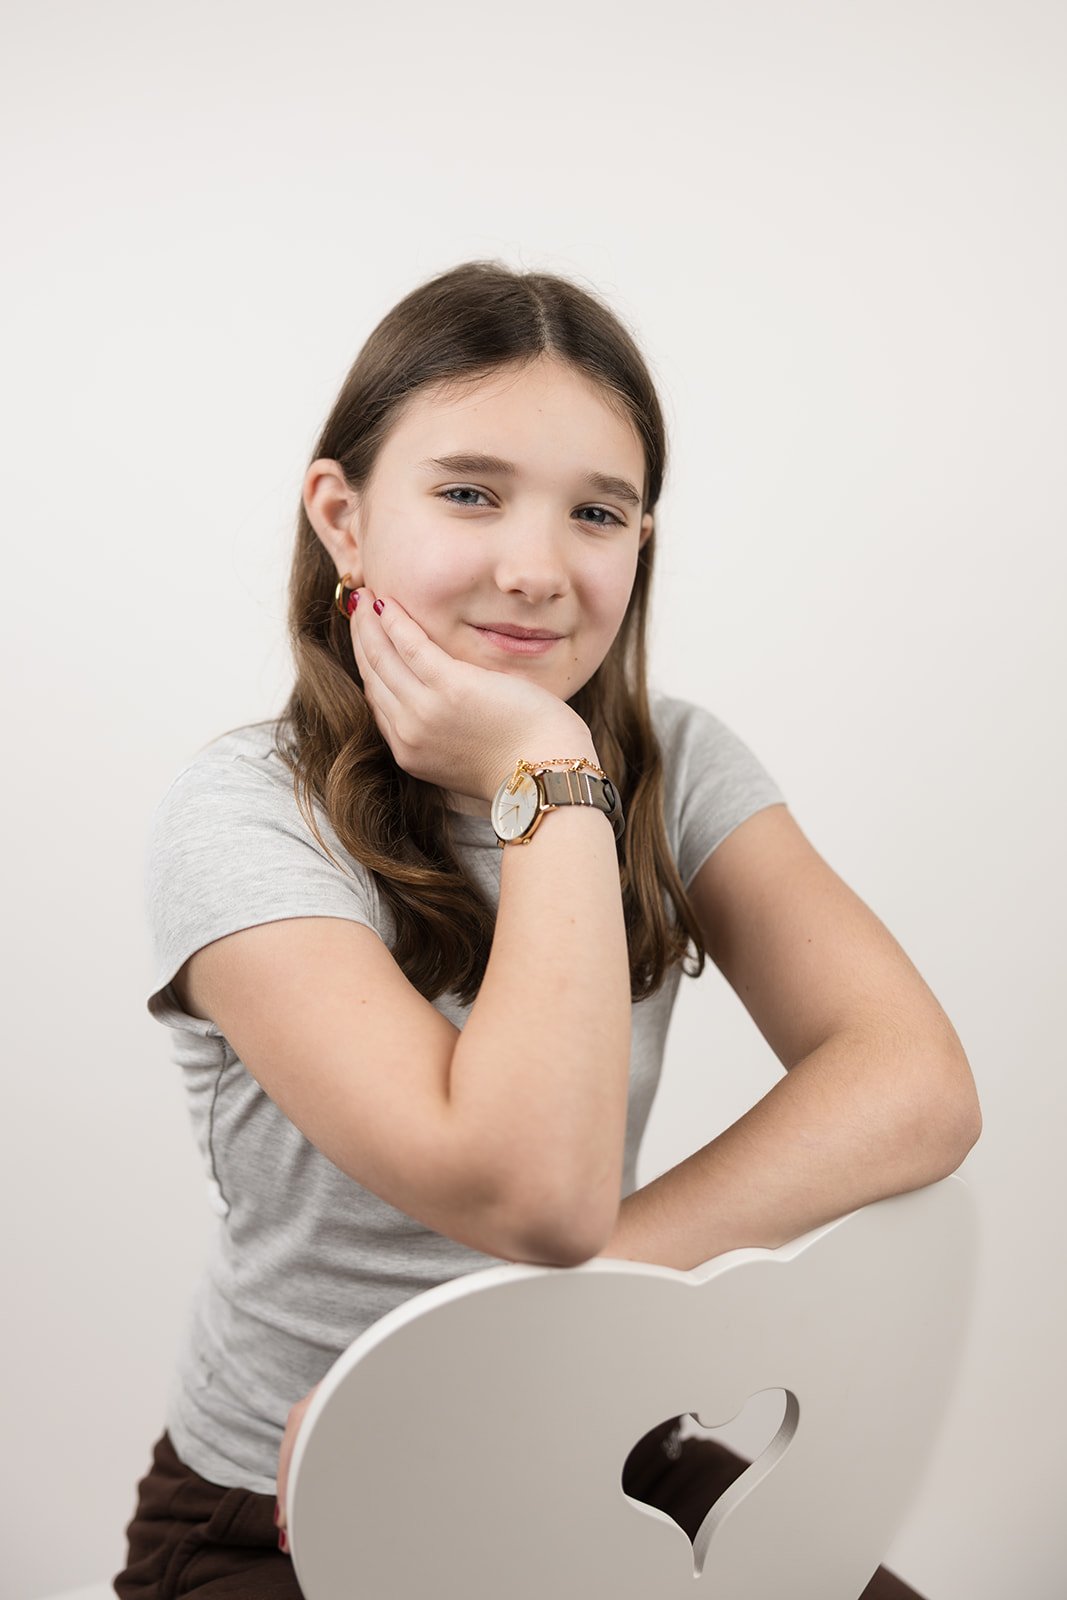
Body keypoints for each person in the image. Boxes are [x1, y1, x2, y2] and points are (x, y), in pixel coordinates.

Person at [115, 260, 981, 1599]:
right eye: (469, 492)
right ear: (342, 518)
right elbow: (536, 1193)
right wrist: (550, 779)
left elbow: (916, 1085)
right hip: (280, 1514)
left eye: (597, 511)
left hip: (598, 1440)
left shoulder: (678, 763)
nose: (535, 567)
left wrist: (492, 1356)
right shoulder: (241, 815)